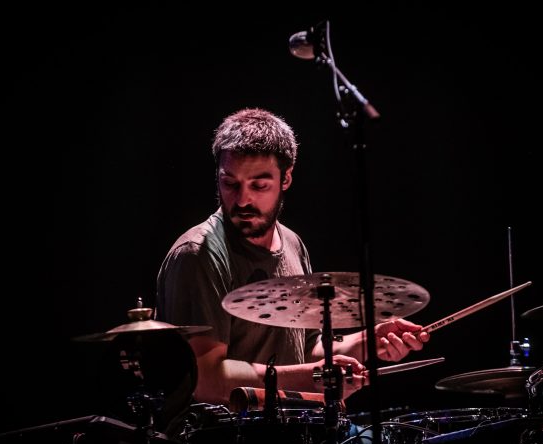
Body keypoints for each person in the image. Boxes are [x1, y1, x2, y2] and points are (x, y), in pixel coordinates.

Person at [155, 107, 430, 407]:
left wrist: (366, 342)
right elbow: (206, 379)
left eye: (259, 185)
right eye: (230, 183)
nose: (243, 199)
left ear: (286, 178)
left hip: (283, 434)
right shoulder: (198, 255)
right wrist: (313, 377)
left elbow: (306, 348)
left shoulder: (292, 243)